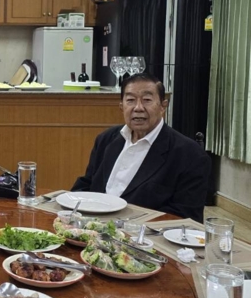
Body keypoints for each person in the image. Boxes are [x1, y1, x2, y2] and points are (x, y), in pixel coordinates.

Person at [72, 73, 211, 221]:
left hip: (144, 232)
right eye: (130, 100)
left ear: (163, 106)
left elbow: (186, 216)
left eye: (147, 100)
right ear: (121, 106)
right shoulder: (106, 139)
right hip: (91, 226)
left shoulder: (190, 155)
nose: (138, 108)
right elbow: (87, 184)